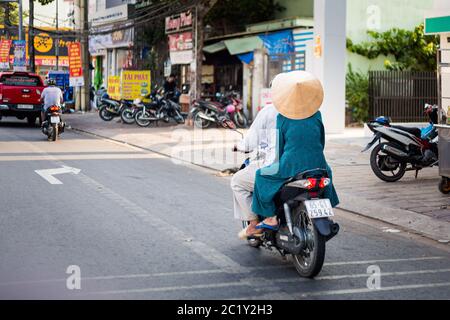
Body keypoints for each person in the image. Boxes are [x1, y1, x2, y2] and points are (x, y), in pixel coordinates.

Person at [246, 70, 339, 236]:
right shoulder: (317, 115)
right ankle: (327, 208)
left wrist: (281, 163)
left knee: (261, 175)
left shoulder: (282, 118)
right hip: (318, 163)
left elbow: (280, 147)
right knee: (328, 173)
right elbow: (321, 142)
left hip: (291, 165)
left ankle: (270, 217)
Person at [230, 103, 278, 239]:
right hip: (304, 166)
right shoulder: (306, 112)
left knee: (237, 181)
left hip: (272, 165)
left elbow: (250, 141)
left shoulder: (269, 111)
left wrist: (239, 146)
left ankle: (253, 223)